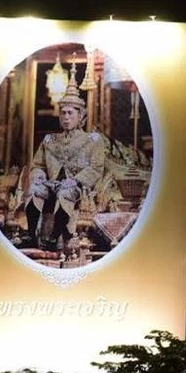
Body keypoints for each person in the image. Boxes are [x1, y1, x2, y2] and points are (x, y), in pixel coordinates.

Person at [18, 75, 110, 251]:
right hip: (51, 183)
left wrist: (75, 180)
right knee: (35, 189)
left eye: (70, 113)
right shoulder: (50, 140)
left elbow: (96, 168)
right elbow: (38, 165)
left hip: (79, 187)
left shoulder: (92, 140)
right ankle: (31, 235)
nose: (66, 117)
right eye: (63, 113)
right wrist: (38, 177)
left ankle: (54, 237)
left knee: (67, 191)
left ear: (80, 115)